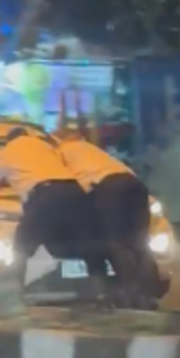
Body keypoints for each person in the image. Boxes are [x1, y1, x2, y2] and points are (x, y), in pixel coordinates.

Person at [0, 128, 110, 297]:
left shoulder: (4, 153)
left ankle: (13, 295)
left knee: (22, 245)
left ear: (9, 140)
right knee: (88, 244)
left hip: (44, 196)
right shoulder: (45, 147)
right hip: (74, 192)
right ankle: (102, 295)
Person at [58, 132, 157, 309]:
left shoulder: (61, 152)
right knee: (139, 244)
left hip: (109, 188)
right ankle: (147, 295)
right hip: (135, 185)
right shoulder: (94, 151)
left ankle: (128, 296)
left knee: (115, 243)